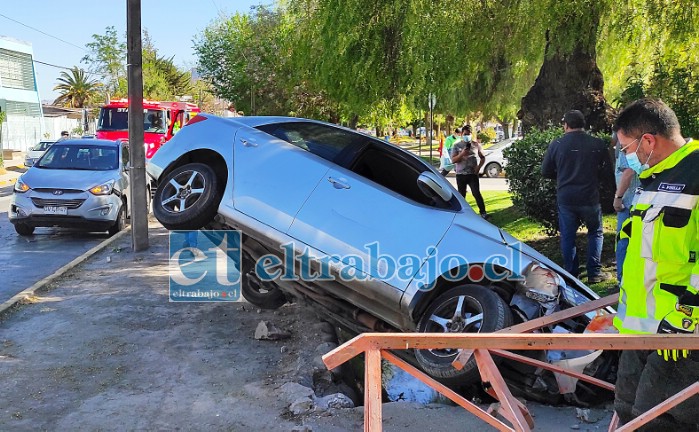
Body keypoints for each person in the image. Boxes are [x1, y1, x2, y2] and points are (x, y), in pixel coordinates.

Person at [612, 98, 699, 430]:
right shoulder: (650, 175)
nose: (625, 156)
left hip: (679, 332)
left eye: (626, 148)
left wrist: (687, 313)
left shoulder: (696, 172)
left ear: (648, 141)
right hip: (639, 331)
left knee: (660, 421)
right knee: (627, 409)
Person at [541, 110, 612, 283]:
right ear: (583, 124)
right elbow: (608, 172)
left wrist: (562, 175)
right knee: (595, 233)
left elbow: (545, 171)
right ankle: (594, 272)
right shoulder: (597, 143)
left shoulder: (556, 144)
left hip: (566, 197)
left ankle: (572, 274)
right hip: (589, 196)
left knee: (568, 236)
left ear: (566, 125)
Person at [612, 131, 641, 287]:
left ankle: (622, 278)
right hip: (637, 200)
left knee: (623, 240)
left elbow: (628, 172)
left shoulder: (629, 144)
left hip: (628, 201)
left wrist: (618, 197)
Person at [451, 125, 488, 218]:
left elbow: (483, 158)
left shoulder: (476, 145)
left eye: (468, 134)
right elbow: (453, 160)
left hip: (472, 174)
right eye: (465, 134)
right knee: (461, 195)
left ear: (471, 134)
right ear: (461, 134)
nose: (467, 136)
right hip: (461, 175)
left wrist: (478, 168)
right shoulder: (456, 146)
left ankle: (483, 213)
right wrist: (462, 154)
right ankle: (461, 214)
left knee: (476, 193)